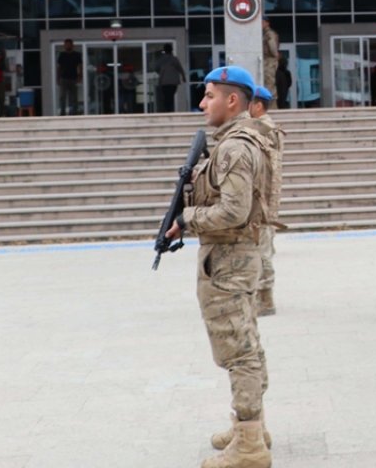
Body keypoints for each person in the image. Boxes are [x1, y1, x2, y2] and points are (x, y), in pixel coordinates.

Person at [161, 65, 273, 468]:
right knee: (247, 345)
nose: (201, 103)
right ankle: (252, 427)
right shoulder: (238, 140)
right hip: (235, 258)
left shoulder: (234, 146)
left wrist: (189, 220)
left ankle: (249, 447)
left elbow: (234, 209)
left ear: (232, 100)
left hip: (228, 261)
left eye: (209, 95)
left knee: (239, 351)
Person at [247, 85, 284, 318]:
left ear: (258, 105)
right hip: (261, 201)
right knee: (261, 248)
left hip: (261, 202)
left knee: (261, 251)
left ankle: (265, 298)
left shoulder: (263, 130)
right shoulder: (262, 129)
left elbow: (265, 170)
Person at [154, 43, 187, 113]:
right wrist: (184, 77)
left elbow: (156, 68)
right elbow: (180, 68)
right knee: (170, 96)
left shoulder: (161, 59)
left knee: (166, 97)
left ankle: (167, 110)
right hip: (173, 82)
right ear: (171, 50)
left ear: (165, 50)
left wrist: (160, 72)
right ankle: (170, 109)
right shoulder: (174, 59)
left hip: (164, 82)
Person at [56, 39, 82, 115]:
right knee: (62, 96)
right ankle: (62, 112)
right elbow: (59, 67)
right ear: (64, 45)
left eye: (69, 44)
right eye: (66, 44)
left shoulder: (77, 55)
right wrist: (57, 78)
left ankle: (74, 112)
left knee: (74, 97)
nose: (67, 46)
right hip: (64, 78)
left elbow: (80, 66)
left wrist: (80, 76)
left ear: (72, 45)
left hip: (73, 78)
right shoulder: (62, 55)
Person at [261, 19, 279, 94]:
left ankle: (270, 101)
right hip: (267, 60)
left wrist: (275, 54)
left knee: (269, 82)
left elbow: (272, 46)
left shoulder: (269, 34)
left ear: (267, 23)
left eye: (262, 22)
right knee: (267, 81)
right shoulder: (265, 33)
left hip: (269, 60)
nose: (261, 24)